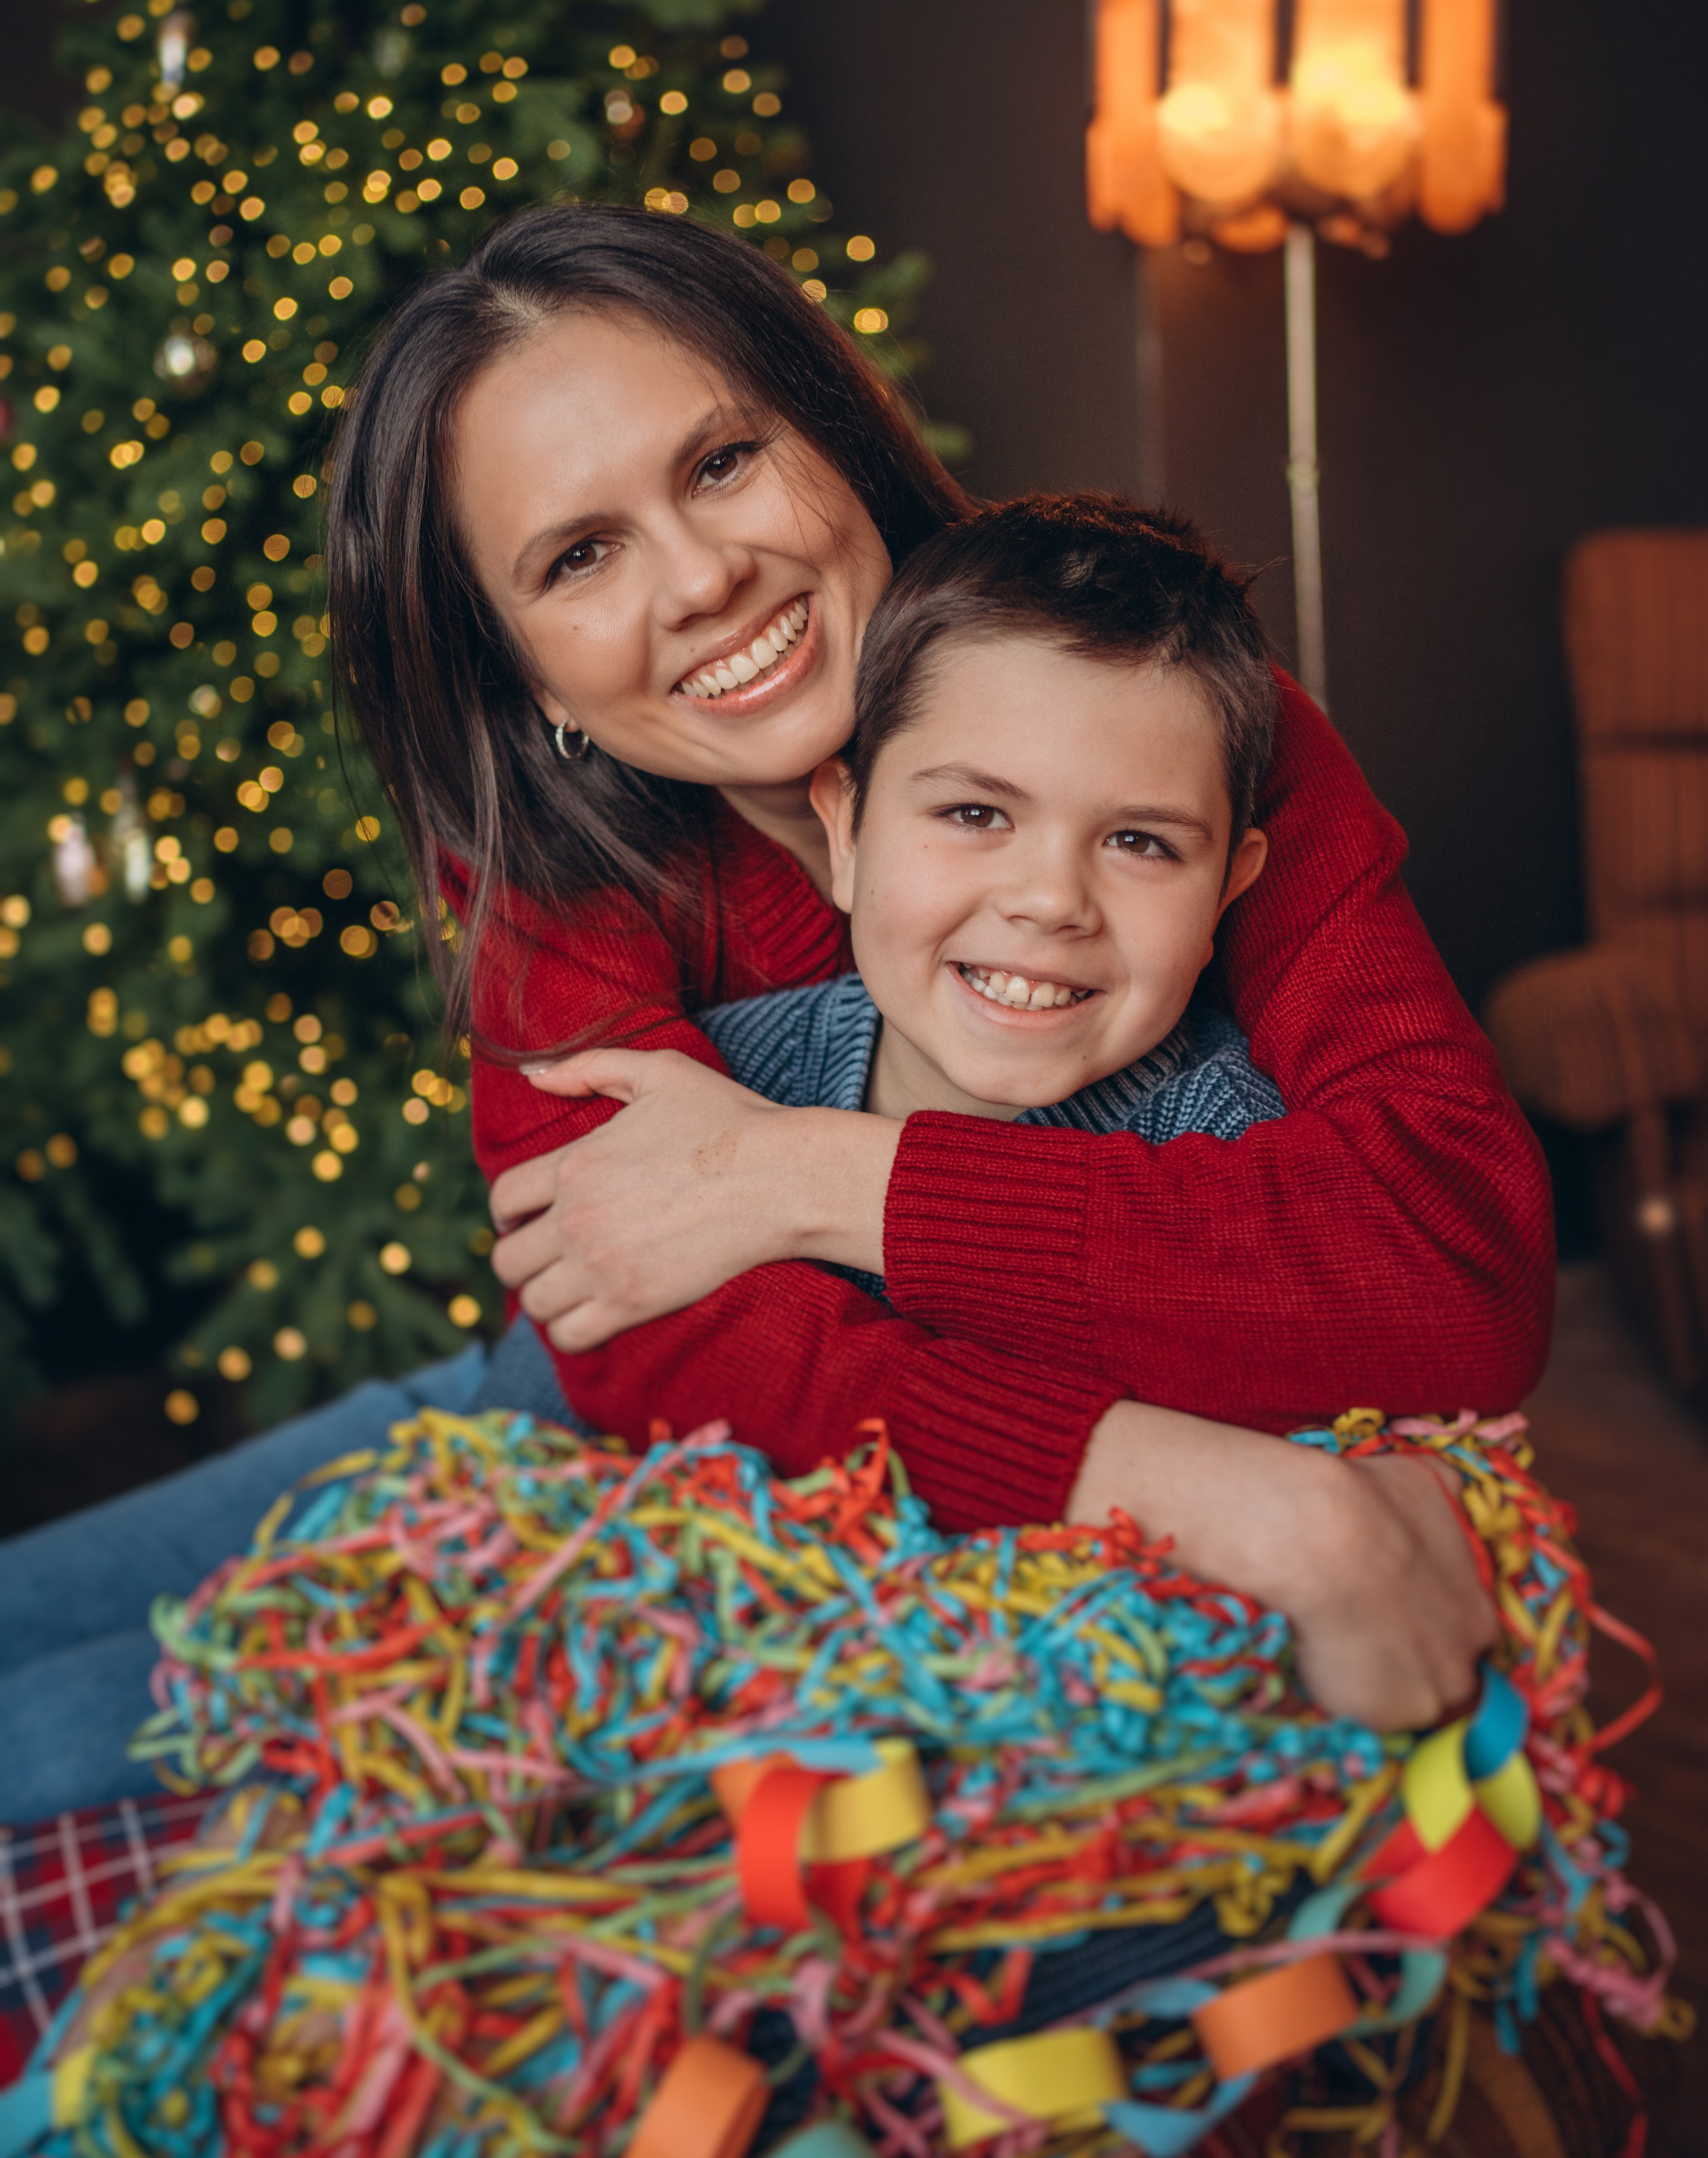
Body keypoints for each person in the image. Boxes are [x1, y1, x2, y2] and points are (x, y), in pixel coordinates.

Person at [327, 199, 1548, 1534]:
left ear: (834, 437)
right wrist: (1221, 1502)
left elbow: (1452, 1265)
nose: (696, 580)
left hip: (827, 1494)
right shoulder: (544, 868)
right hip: (571, 1433)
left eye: (722, 463)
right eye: (578, 556)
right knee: (53, 1719)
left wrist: (797, 1177)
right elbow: (632, 1320)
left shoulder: (1172, 724)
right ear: (521, 669)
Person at [516, 486, 1497, 1725]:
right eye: (976, 813)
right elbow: (584, 1346)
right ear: (848, 827)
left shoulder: (1257, 1157)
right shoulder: (711, 1086)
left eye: (1141, 843)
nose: (1049, 900)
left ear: (1232, 886)